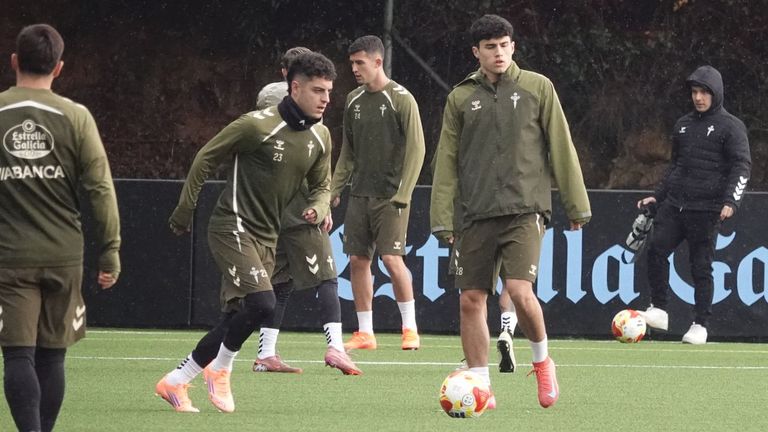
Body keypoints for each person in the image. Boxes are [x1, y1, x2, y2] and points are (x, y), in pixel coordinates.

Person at [155, 51, 337, 413]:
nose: (326, 99)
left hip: (268, 237)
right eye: (318, 90)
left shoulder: (321, 136)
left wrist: (319, 204)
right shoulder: (256, 125)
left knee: (237, 316)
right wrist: (185, 208)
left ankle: (175, 381)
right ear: (295, 87)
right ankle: (220, 370)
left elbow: (322, 183)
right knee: (263, 303)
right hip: (232, 227)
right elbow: (206, 157)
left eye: (329, 91)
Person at [430, 15, 591, 409]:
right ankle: (481, 386)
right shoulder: (460, 98)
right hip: (475, 212)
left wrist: (576, 203)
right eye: (490, 47)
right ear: (476, 52)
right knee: (470, 299)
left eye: (504, 45)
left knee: (518, 291)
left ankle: (542, 361)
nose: (498, 52)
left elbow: (561, 146)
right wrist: (441, 217)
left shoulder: (539, 87)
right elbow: (446, 161)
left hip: (525, 209)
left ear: (513, 47)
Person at [0, 24, 121, 432]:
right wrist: (110, 252)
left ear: (15, 61)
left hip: (8, 259)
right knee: (52, 356)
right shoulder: (75, 117)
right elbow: (101, 190)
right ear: (60, 68)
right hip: (63, 256)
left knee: (18, 356)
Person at [252, 47, 361, 376]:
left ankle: (265, 353)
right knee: (328, 278)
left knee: (281, 283)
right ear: (292, 77)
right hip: (300, 210)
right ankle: (336, 348)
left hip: (273, 212)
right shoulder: (289, 104)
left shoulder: (271, 98)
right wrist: (319, 202)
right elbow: (306, 160)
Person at [637, 65, 751, 345]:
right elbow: (676, 166)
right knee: (656, 249)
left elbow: (742, 166)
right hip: (676, 206)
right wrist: (658, 196)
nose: (699, 97)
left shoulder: (731, 126)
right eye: (695, 92)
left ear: (716, 93)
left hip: (708, 209)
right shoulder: (683, 125)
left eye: (704, 92)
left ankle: (700, 324)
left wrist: (731, 201)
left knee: (700, 267)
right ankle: (659, 309)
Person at [330, 35, 426, 351]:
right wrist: (333, 189)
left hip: (391, 197)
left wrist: (405, 192)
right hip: (360, 194)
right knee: (357, 260)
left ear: (377, 61)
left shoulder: (401, 99)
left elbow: (417, 149)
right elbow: (348, 152)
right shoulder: (354, 101)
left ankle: (409, 328)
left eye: (360, 63)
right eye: (352, 63)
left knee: (391, 259)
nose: (355, 69)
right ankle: (365, 332)